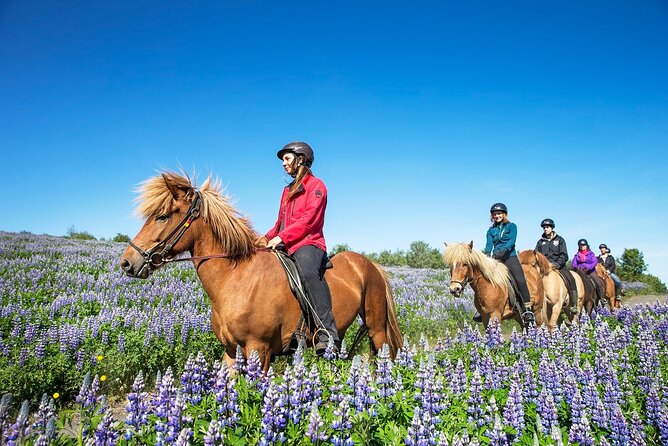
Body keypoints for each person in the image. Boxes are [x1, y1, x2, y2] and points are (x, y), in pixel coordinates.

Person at [261, 141, 339, 355]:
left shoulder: (317, 186)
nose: (283, 164)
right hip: (287, 242)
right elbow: (279, 223)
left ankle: (327, 333)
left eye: (286, 158)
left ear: (301, 159)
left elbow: (309, 221)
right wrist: (265, 238)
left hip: (308, 242)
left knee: (306, 272)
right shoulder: (286, 191)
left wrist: (282, 238)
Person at [483, 203, 535, 325]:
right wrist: (487, 255)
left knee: (520, 279)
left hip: (509, 257)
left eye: (499, 213)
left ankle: (527, 309)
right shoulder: (491, 230)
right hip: (496, 259)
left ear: (504, 214)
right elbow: (489, 244)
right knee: (486, 280)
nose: (497, 216)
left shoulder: (512, 226)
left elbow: (511, 241)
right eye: (495, 214)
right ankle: (482, 309)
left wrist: (503, 251)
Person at [535, 218, 579, 312]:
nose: (545, 229)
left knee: (571, 279)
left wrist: (557, 264)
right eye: (544, 228)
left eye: (547, 227)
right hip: (544, 268)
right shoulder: (540, 242)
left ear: (552, 228)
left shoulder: (560, 240)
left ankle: (574, 304)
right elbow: (536, 255)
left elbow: (564, 255)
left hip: (559, 266)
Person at [571, 239, 605, 304]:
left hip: (590, 271)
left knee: (598, 283)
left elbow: (594, 262)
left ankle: (601, 298)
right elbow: (573, 263)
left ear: (586, 246)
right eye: (580, 245)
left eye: (583, 245)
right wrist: (577, 267)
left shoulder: (591, 254)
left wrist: (588, 267)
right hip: (580, 271)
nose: (582, 246)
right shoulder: (577, 255)